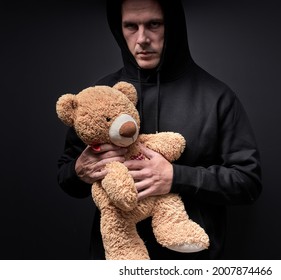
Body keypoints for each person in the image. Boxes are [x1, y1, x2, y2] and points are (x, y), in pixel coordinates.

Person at [57, 0, 262, 260]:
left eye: (154, 24)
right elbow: (65, 176)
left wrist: (175, 177)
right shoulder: (101, 95)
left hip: (193, 263)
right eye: (131, 26)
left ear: (172, 25)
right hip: (117, 262)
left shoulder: (217, 97)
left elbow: (248, 182)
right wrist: (79, 170)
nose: (142, 39)